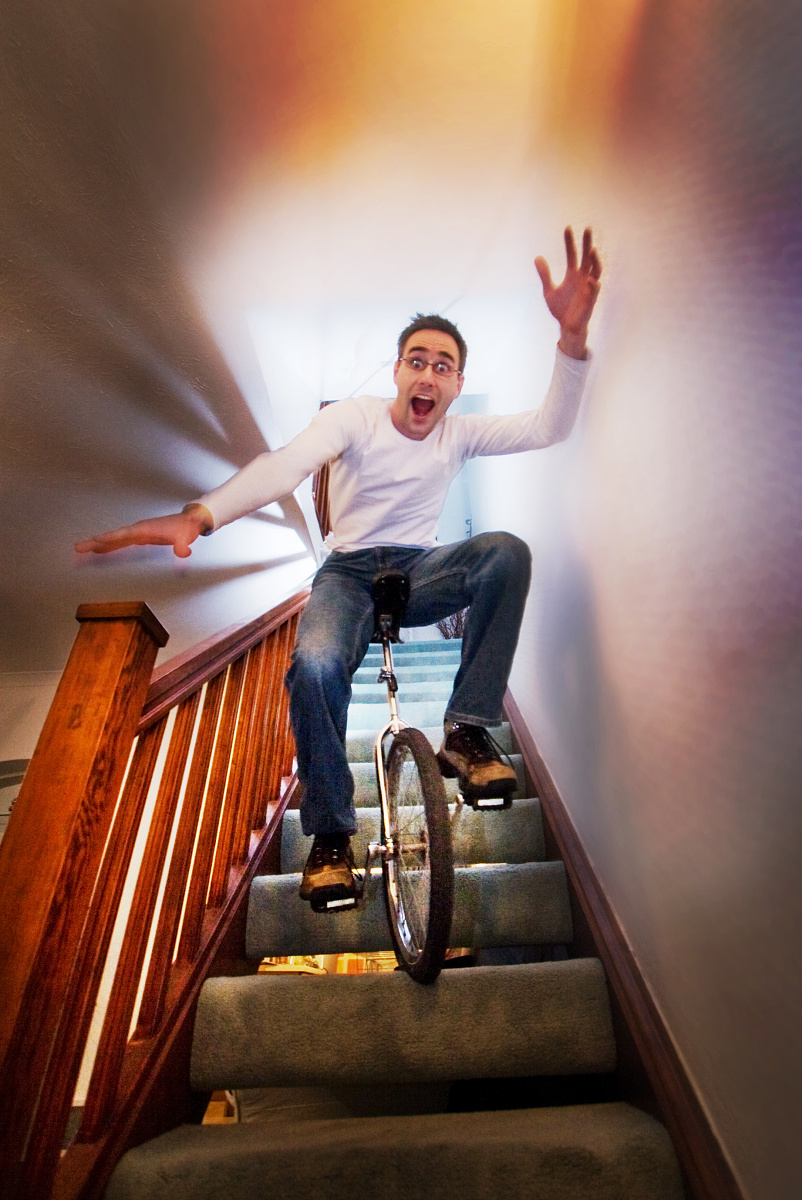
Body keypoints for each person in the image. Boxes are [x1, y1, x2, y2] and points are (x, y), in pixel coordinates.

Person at [76, 226, 602, 908]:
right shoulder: (355, 418)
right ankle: (330, 839)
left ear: (457, 384)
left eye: (443, 366)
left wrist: (571, 340)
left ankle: (468, 732)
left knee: (505, 552)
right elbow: (285, 466)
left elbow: (548, 428)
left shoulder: (460, 432)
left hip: (419, 570)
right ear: (397, 372)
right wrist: (200, 516)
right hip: (347, 573)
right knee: (316, 666)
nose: (428, 375)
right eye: (417, 361)